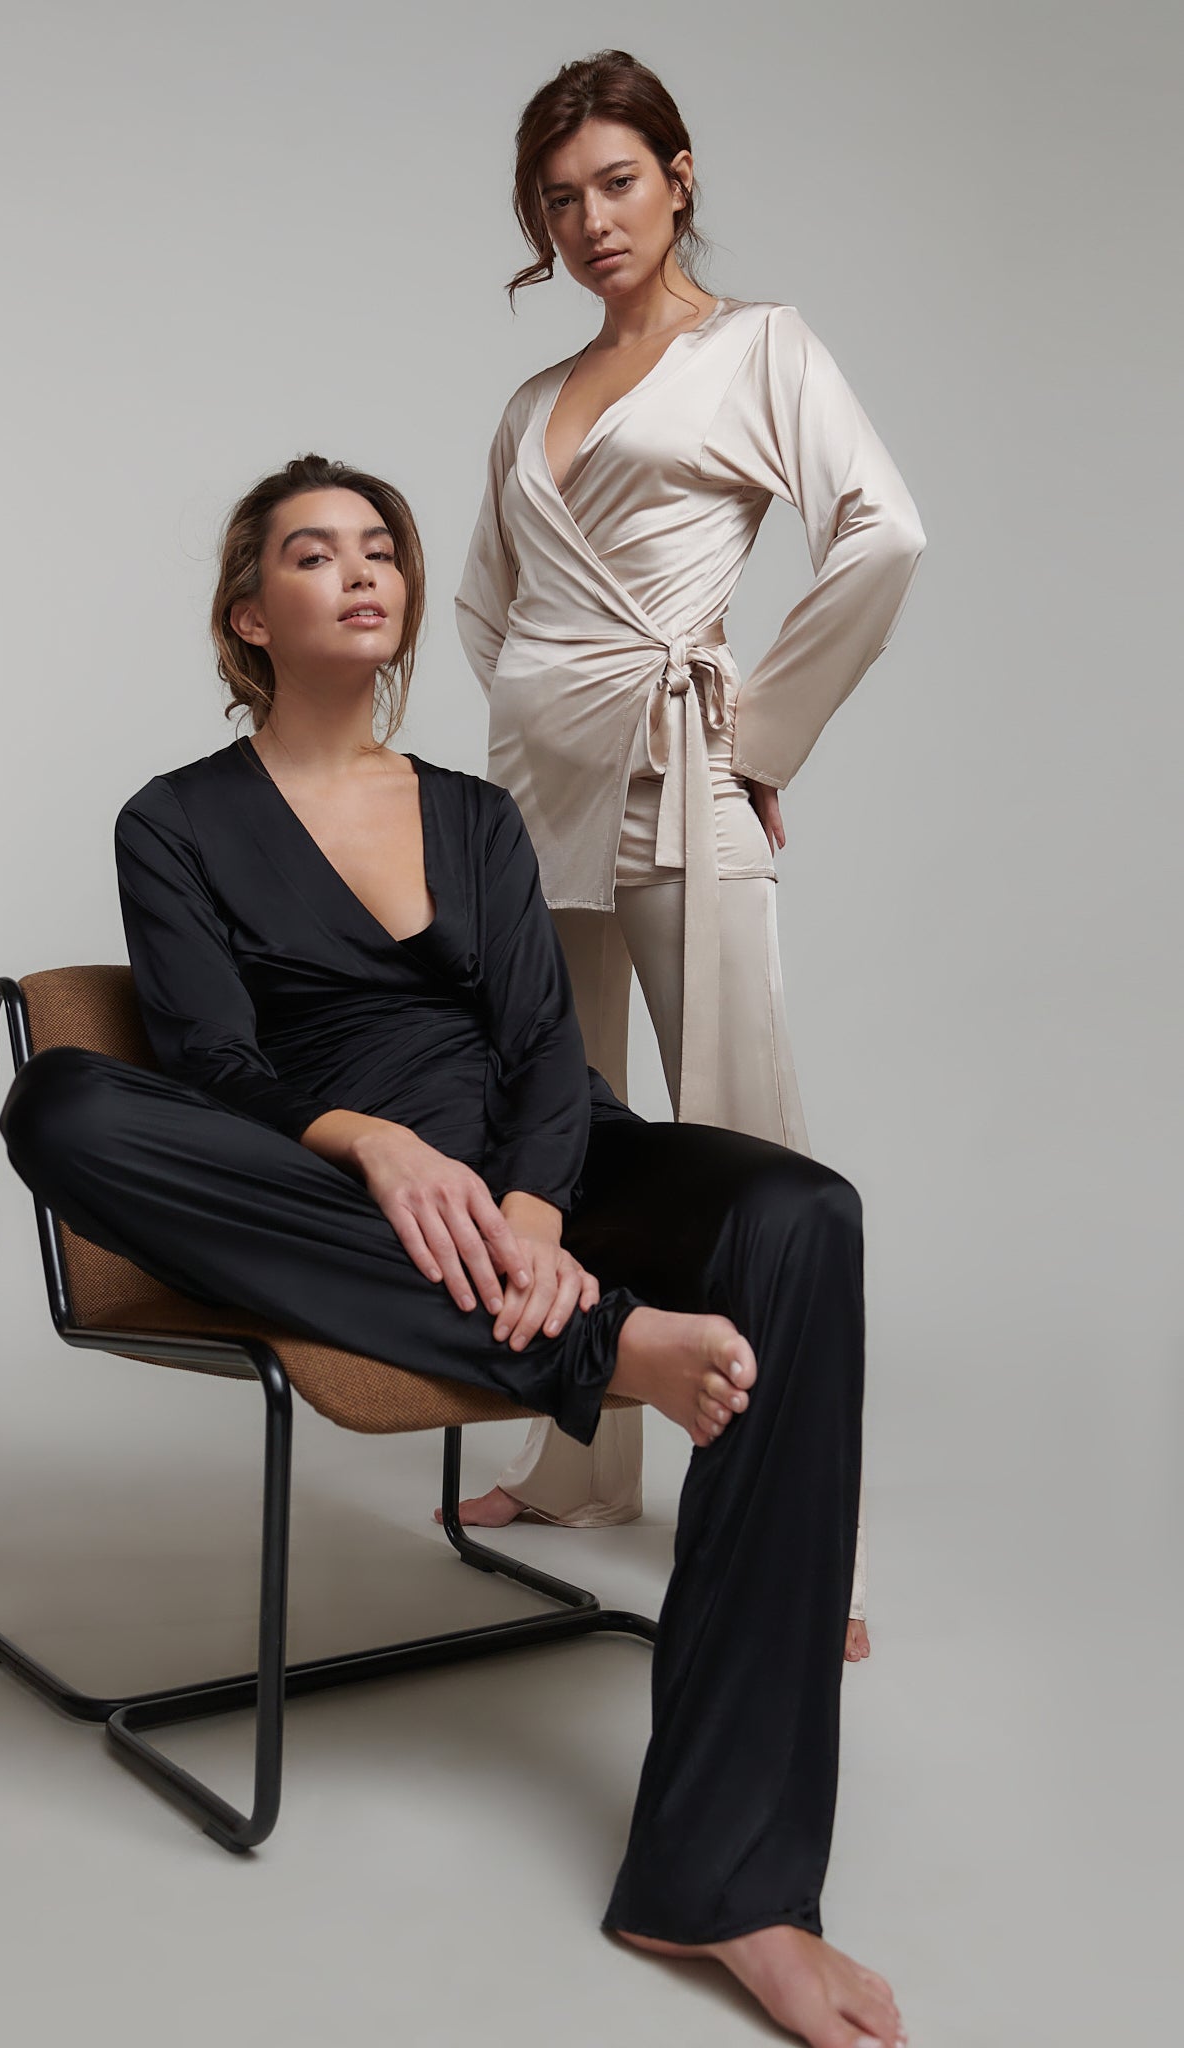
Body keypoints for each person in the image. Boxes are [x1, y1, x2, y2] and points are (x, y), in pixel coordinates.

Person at [0, 455, 905, 2048]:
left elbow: (546, 1049)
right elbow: (208, 1061)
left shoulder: (475, 815)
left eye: (382, 550)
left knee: (800, 1215)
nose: (361, 572)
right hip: (345, 1202)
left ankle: (724, 1879)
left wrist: (537, 1213)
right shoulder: (176, 821)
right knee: (65, 1105)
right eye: (312, 553)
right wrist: (372, 1141)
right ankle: (596, 1354)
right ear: (247, 615)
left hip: (547, 1172)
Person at [454, 49, 927, 1663]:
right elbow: (486, 604)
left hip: (676, 774)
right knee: (560, 1132)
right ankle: (582, 1467)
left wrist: (759, 738)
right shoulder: (531, 401)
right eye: (558, 198)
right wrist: (540, 722)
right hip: (536, 800)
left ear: (677, 178)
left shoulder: (757, 349)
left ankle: (805, 1547)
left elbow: (883, 529)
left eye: (616, 182)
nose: (590, 219)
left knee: (745, 1154)